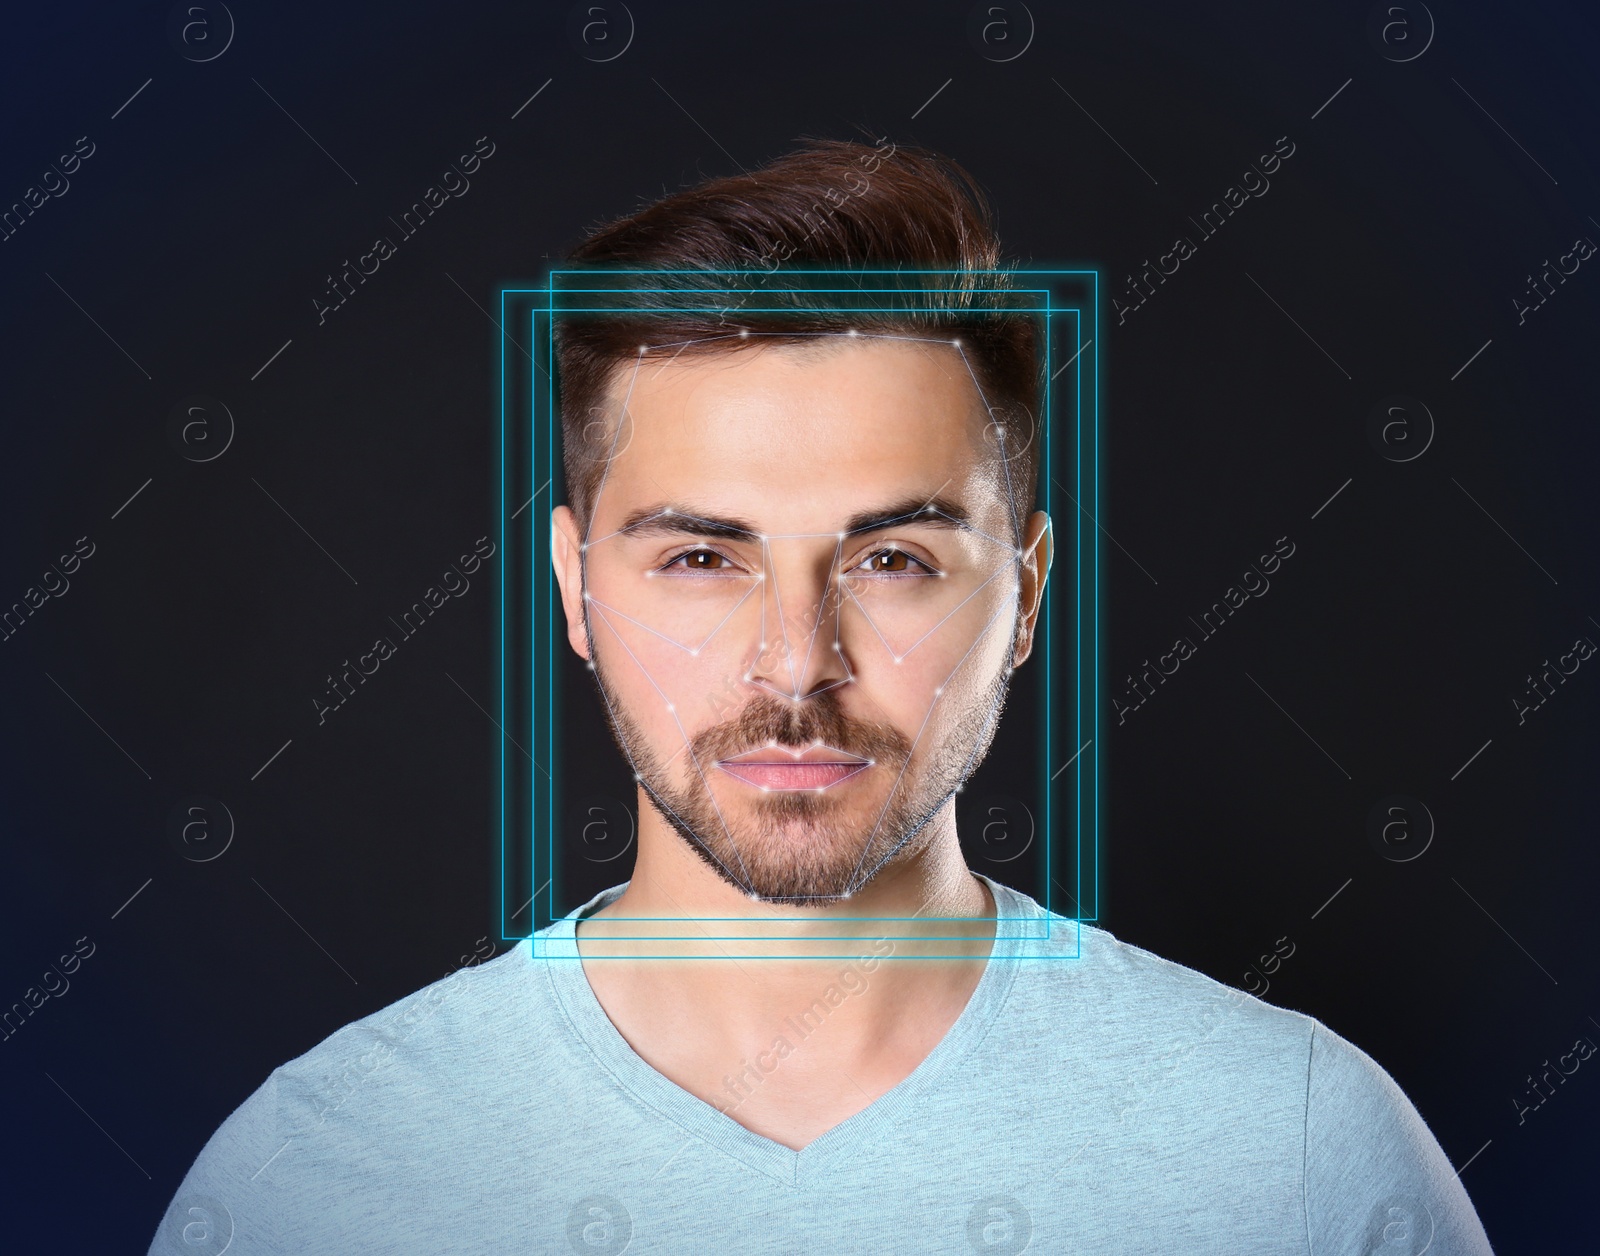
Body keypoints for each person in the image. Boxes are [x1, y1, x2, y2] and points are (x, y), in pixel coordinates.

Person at [149, 138, 1493, 1254]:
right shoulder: (310, 1187)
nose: (795, 665)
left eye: (893, 560)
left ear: (1026, 593)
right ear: (574, 587)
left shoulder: (1303, 1160)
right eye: (699, 558)